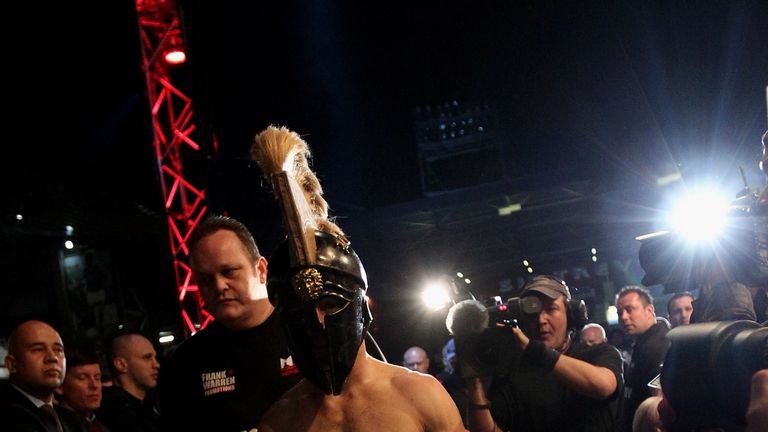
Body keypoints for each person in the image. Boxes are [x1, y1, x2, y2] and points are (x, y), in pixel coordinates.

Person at [252, 125, 464, 432]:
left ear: (362, 309)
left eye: (329, 303)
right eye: (299, 313)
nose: (317, 323)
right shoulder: (279, 422)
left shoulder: (419, 395)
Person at [159, 215, 301, 431]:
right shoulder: (185, 363)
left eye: (228, 271)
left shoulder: (312, 330)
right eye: (205, 279)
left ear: (261, 270)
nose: (219, 286)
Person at [461, 276, 624, 432]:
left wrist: (534, 350)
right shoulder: (513, 371)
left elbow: (603, 386)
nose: (541, 320)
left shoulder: (599, 353)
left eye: (550, 308)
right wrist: (474, 385)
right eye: (532, 312)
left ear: (571, 314)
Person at [1, 319, 86, 432]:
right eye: (38, 349)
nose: (52, 357)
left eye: (58, 350)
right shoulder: (7, 416)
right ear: (12, 364)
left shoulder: (74, 420)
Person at [615, 285, 670, 432]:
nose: (624, 317)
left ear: (649, 310)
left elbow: (659, 403)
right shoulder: (642, 344)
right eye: (620, 312)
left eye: (630, 309)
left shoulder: (661, 345)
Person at [98, 333, 160, 432]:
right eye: (147, 357)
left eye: (155, 357)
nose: (156, 365)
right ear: (121, 364)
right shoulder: (114, 414)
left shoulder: (152, 405)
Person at [55, 346, 109, 431]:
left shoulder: (102, 427)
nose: (94, 385)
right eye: (82, 377)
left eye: (97, 377)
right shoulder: (52, 426)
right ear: (59, 386)